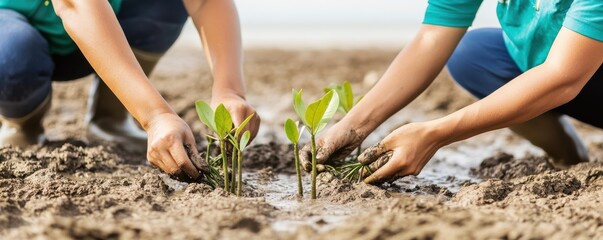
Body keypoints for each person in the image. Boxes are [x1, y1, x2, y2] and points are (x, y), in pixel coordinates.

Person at [300, 0, 603, 184]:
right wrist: (354, 126)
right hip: (564, 64)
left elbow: (563, 76)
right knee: (474, 55)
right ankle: (570, 157)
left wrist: (434, 134)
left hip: (580, 72)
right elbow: (433, 37)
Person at [0, 0, 260, 179]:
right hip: (15, 23)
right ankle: (22, 123)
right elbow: (75, 5)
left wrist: (230, 90)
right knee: (13, 57)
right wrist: (156, 116)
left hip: (107, 27)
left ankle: (110, 116)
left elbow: (205, 2)